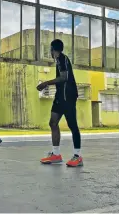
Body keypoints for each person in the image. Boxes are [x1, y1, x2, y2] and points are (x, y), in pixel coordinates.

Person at [36, 39, 83, 167]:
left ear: (52, 49)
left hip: (68, 96)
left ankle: (78, 156)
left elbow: (64, 77)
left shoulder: (62, 59)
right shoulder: (58, 60)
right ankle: (56, 154)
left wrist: (45, 83)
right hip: (59, 97)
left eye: (50, 49)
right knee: (53, 122)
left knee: (72, 125)